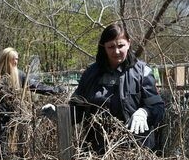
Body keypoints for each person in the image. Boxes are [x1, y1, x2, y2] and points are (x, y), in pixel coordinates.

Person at [57, 23, 164, 152]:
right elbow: (78, 110)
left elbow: (158, 108)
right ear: (104, 47)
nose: (116, 51)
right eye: (111, 47)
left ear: (129, 43)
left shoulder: (143, 72)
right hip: (97, 152)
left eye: (121, 45)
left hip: (136, 151)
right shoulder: (90, 74)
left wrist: (144, 112)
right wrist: (59, 114)